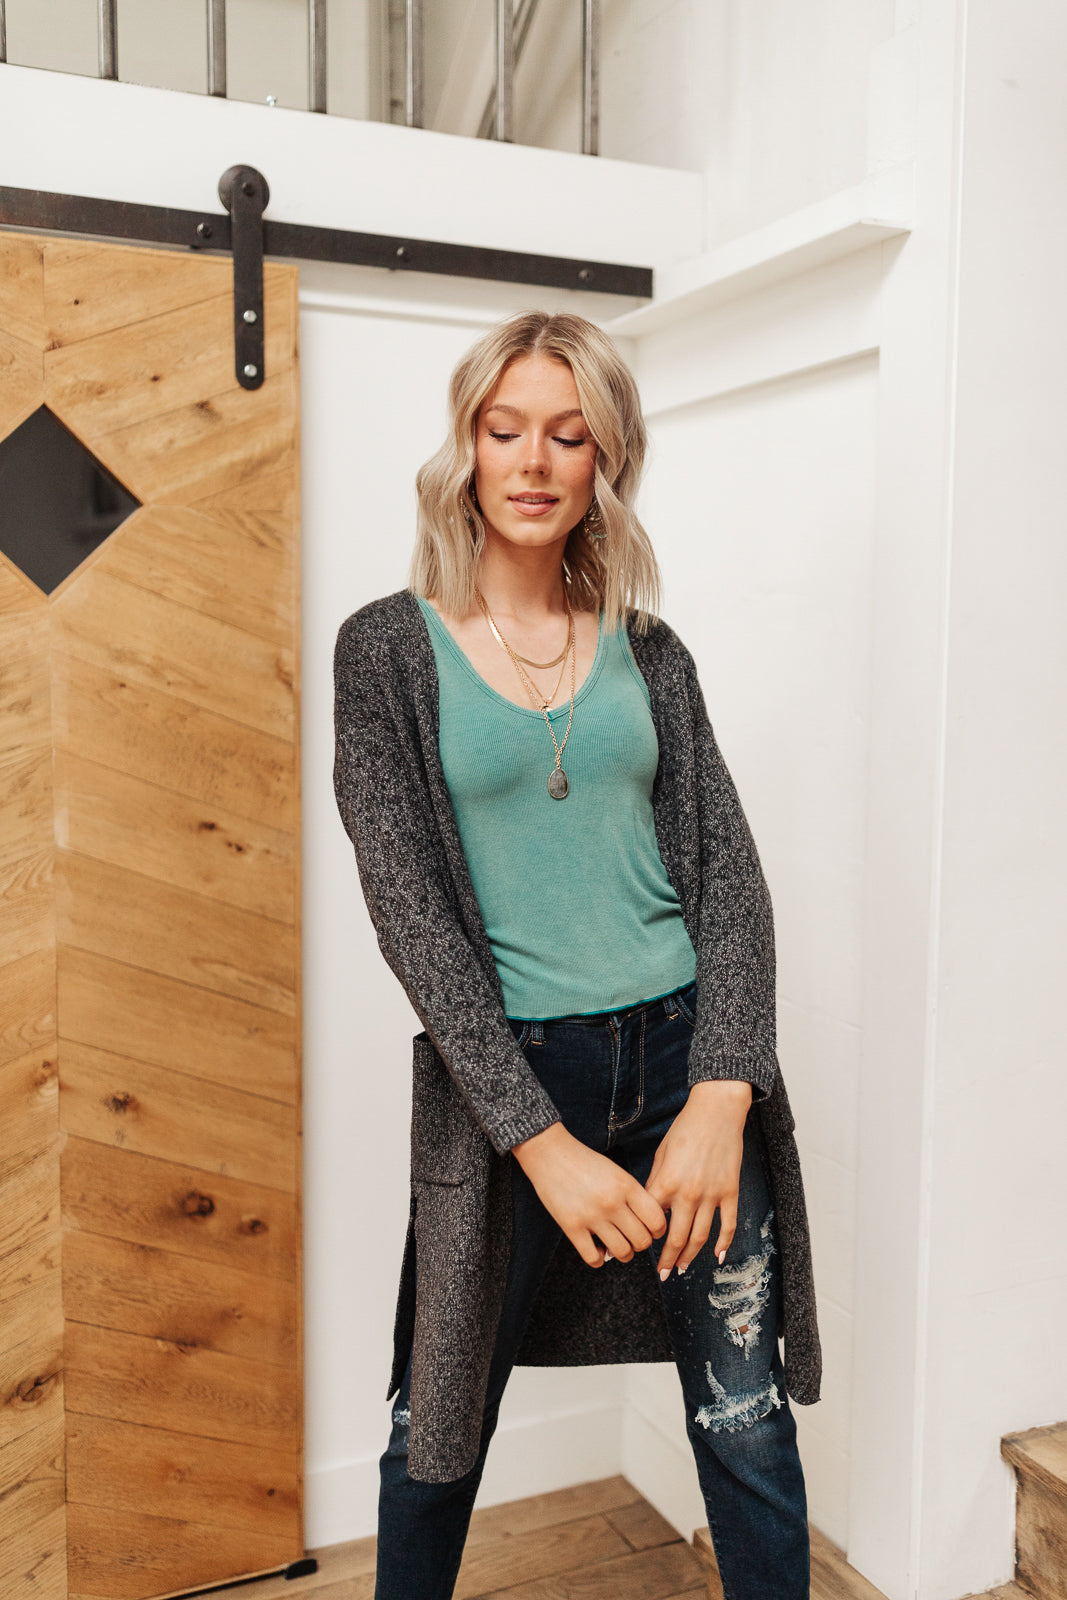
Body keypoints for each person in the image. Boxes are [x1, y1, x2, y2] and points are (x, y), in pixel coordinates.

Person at [332, 311, 822, 1600]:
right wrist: (539, 1143)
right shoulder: (385, 650)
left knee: (747, 1424)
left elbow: (732, 885)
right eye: (505, 430)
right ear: (467, 449)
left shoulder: (652, 654)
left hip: (684, 1059)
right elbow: (411, 918)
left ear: (607, 458)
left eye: (569, 434)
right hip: (512, 1081)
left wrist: (724, 1092)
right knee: (435, 1432)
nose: (534, 461)